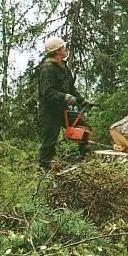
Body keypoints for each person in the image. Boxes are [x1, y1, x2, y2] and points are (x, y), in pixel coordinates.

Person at [38, 36, 92, 171]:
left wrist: (81, 100)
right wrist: (64, 97)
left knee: (83, 127)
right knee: (49, 141)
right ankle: (44, 169)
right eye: (63, 47)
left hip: (63, 110)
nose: (65, 49)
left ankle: (84, 159)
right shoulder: (47, 68)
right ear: (57, 51)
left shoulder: (64, 68)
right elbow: (47, 92)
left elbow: (72, 89)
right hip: (49, 112)